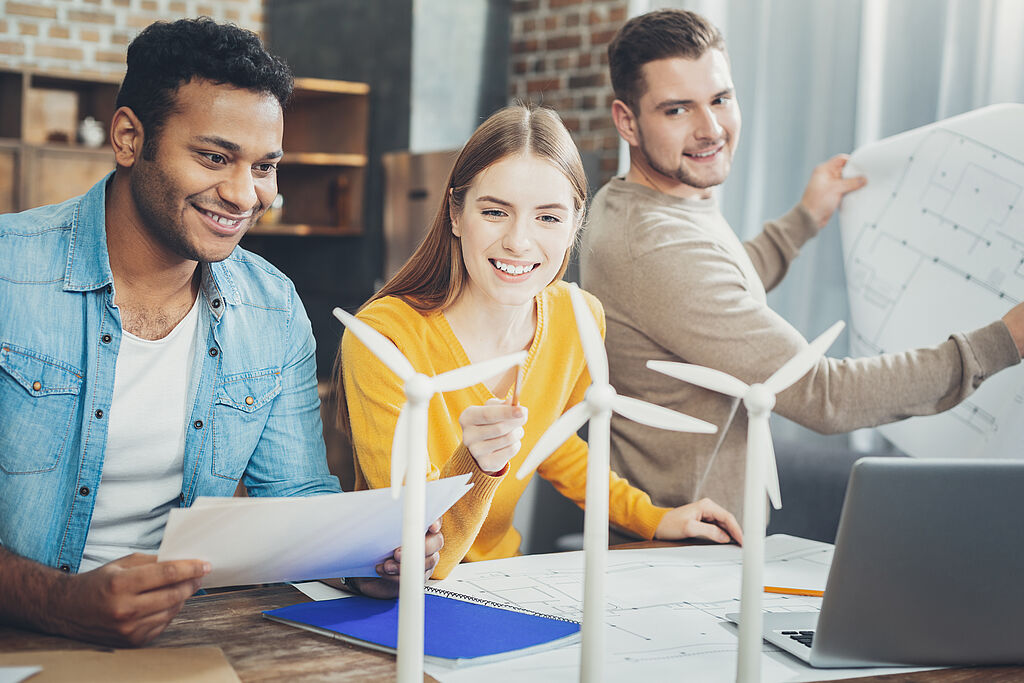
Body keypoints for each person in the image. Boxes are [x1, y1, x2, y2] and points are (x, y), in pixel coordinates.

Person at [0, 18, 440, 648]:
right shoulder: (9, 272)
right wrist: (60, 604)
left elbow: (296, 501)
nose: (244, 194)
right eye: (214, 157)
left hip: (185, 637)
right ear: (129, 138)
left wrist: (362, 560)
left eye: (265, 166)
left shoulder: (271, 307)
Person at [580, 9, 1024, 518]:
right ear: (627, 121)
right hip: (678, 557)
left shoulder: (642, 203)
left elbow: (715, 287)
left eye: (721, 99)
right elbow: (823, 395)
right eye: (677, 110)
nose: (710, 129)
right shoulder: (655, 245)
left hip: (703, 548)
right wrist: (1006, 340)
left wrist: (805, 219)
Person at [338, 104, 743, 580]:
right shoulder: (383, 338)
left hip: (505, 583)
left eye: (548, 218)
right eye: (494, 212)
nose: (518, 242)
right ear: (454, 213)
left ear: (576, 223)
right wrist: (477, 462)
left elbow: (552, 442)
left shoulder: (579, 318)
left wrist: (652, 517)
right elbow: (419, 551)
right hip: (392, 593)